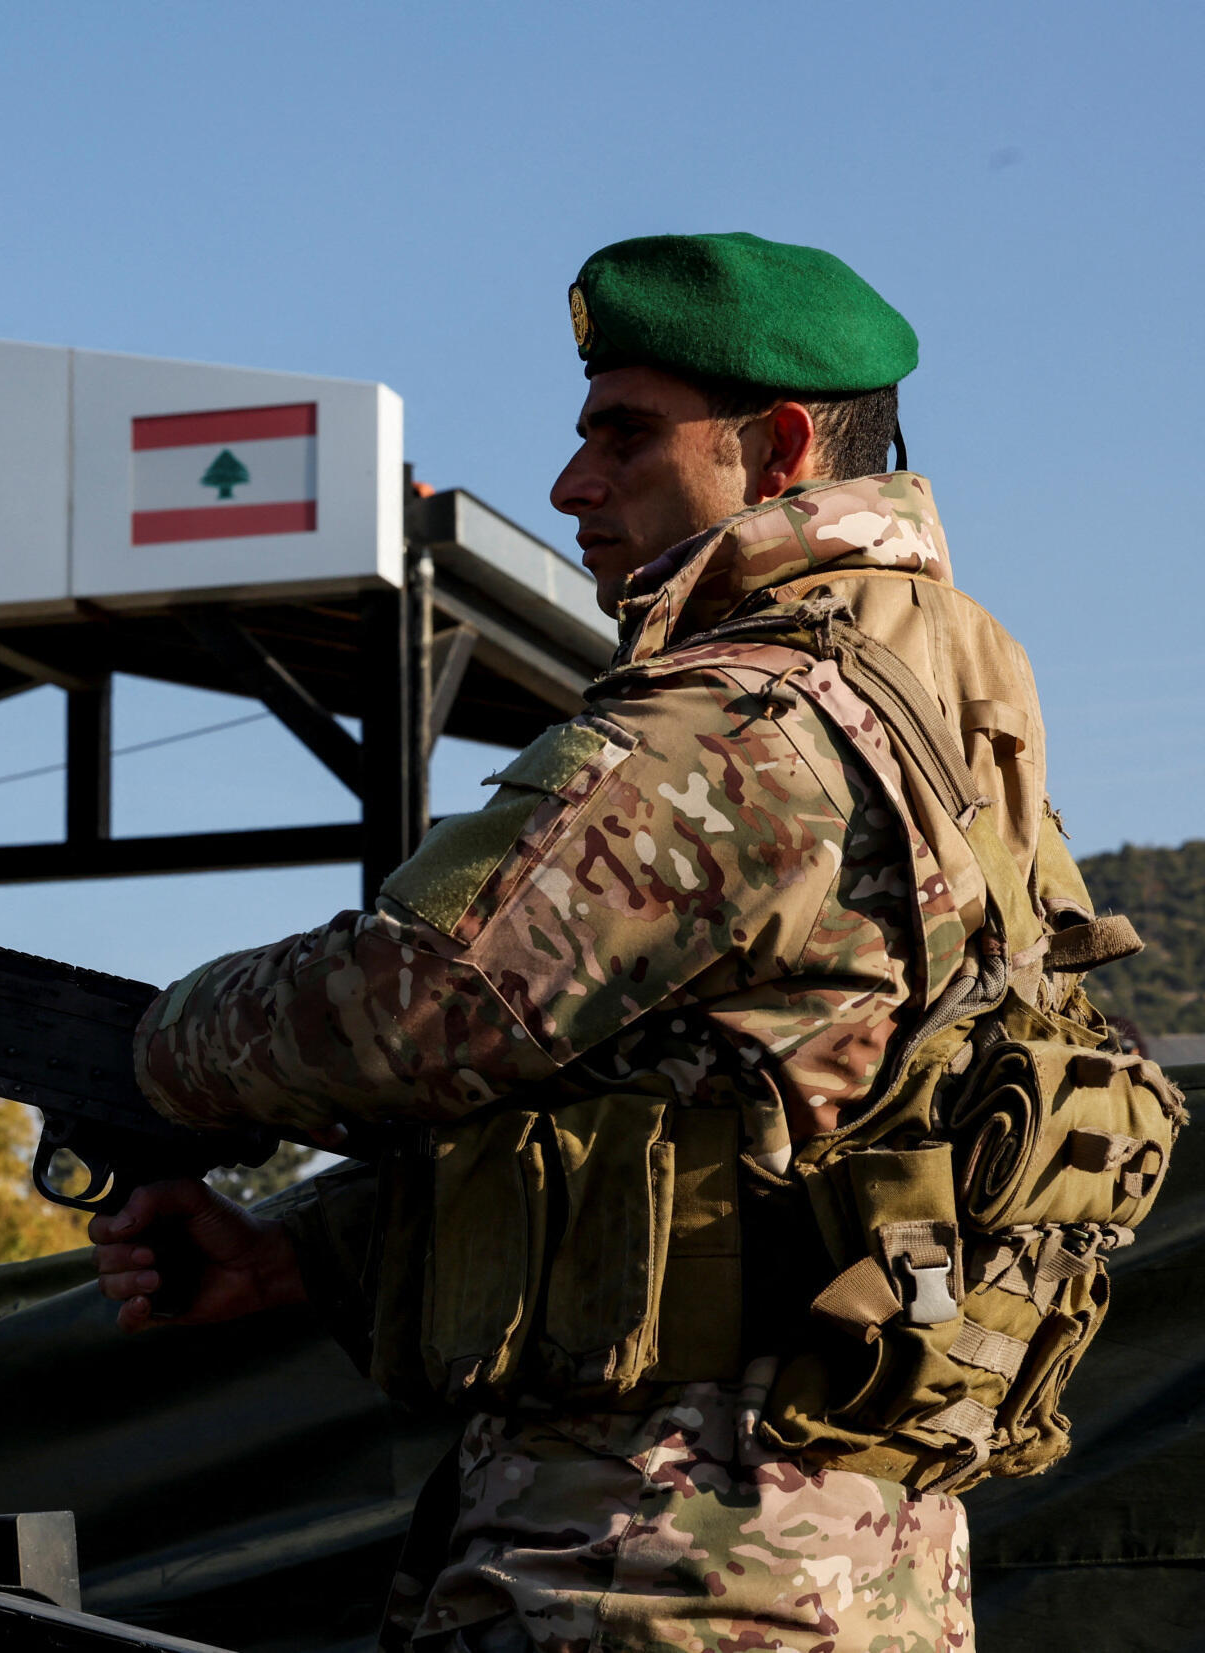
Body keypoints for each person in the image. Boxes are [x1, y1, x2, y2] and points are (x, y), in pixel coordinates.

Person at [92, 233, 1141, 1652]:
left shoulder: (738, 725)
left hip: (653, 1565)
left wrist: (146, 1046)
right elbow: (743, 1118)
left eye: (626, 435)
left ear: (776, 449)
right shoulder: (947, 717)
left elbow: (416, 1001)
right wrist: (303, 1256)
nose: (571, 484)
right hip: (851, 1572)